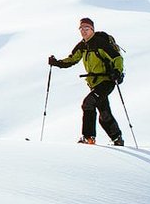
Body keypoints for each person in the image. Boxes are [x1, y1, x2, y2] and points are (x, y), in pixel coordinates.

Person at [48, 17, 125, 145]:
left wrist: (117, 71)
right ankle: (117, 139)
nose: (83, 31)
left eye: (86, 28)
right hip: (94, 83)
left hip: (107, 81)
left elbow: (117, 58)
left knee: (88, 103)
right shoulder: (82, 45)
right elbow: (72, 60)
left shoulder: (101, 43)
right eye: (81, 28)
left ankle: (88, 137)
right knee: (104, 113)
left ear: (92, 29)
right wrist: (56, 63)